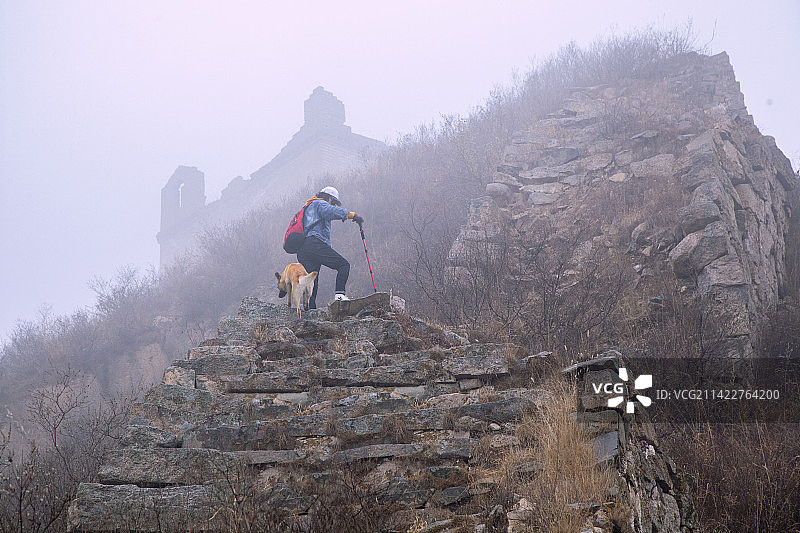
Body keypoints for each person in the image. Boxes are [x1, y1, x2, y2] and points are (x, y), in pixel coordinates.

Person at [296, 186, 363, 309]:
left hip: (303, 248)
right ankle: (339, 295)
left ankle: (309, 310)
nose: (334, 205)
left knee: (312, 280)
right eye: (334, 202)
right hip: (315, 243)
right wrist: (352, 215)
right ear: (329, 198)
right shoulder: (319, 203)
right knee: (343, 265)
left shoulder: (308, 207)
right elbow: (331, 211)